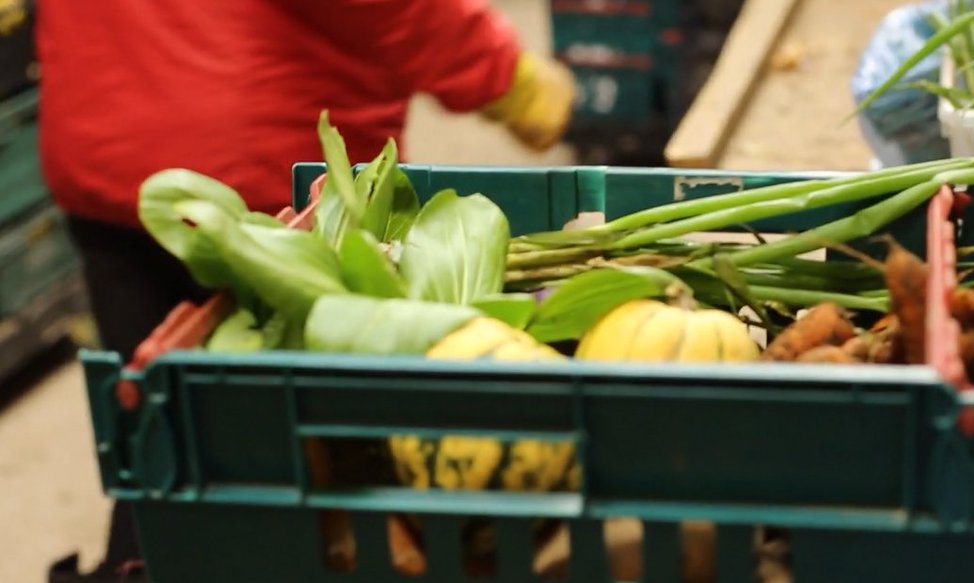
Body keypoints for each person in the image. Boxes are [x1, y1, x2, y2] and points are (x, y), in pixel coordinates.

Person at [34, 1, 575, 581]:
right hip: (256, 171)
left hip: (104, 134)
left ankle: (134, 564)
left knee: (164, 441)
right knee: (294, 454)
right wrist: (500, 73)